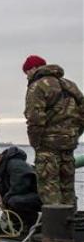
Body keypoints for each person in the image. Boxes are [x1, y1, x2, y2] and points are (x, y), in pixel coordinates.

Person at [21, 55, 84, 207]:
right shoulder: (70, 85)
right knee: (67, 188)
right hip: (69, 144)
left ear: (34, 69)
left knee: (49, 189)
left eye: (27, 72)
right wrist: (74, 135)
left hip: (48, 147)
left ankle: (56, 228)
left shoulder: (37, 86)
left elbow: (35, 119)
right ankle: (70, 224)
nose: (27, 76)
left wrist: (36, 144)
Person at [0, 145, 41, 230]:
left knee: (12, 201)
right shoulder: (2, 167)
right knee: (8, 199)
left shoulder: (15, 164)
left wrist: (5, 199)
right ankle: (20, 223)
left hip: (40, 197)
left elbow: (20, 186)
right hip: (28, 196)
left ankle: (32, 222)